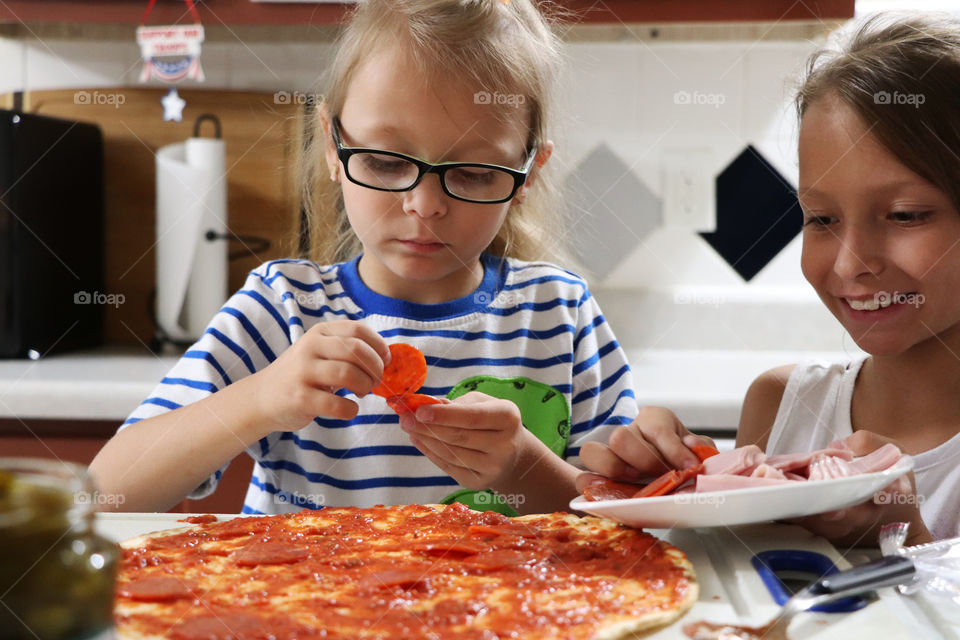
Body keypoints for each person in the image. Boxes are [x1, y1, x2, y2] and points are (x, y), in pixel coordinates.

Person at [90, 0, 639, 516]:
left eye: (474, 173)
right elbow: (105, 494)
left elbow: (627, 518)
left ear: (528, 175)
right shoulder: (283, 308)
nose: (424, 206)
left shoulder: (559, 313)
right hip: (303, 612)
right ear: (332, 145)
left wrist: (525, 468)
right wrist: (260, 398)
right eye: (382, 161)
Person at [578, 12, 960, 545]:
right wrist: (670, 498)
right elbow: (736, 597)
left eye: (904, 214)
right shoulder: (781, 403)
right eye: (822, 219)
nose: (851, 264)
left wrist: (904, 535)